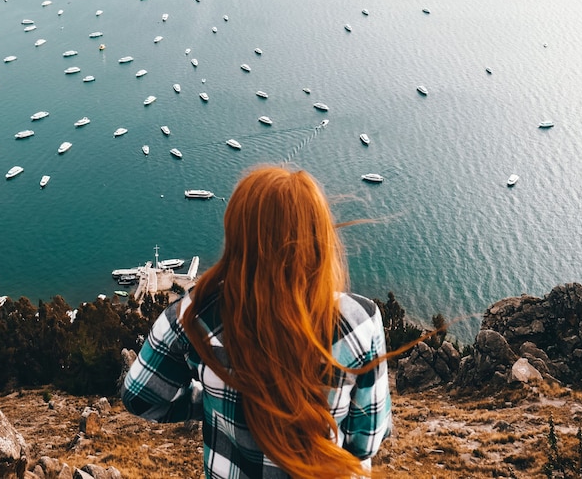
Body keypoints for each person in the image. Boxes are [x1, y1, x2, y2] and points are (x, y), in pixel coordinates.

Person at [122, 166, 391, 478]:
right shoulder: (360, 321)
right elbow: (368, 439)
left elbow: (140, 398)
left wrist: (211, 400)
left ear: (238, 234)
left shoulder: (192, 315)